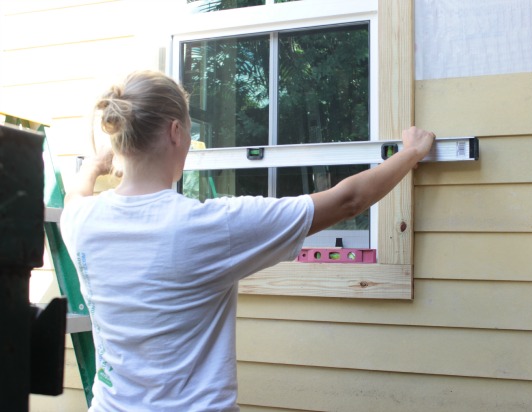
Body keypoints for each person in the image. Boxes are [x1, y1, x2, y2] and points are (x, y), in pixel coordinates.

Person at [60, 70, 435, 412]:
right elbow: (347, 201)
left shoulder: (80, 221)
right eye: (189, 133)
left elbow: (75, 196)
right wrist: (411, 153)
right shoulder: (205, 227)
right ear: (175, 132)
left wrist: (94, 166)